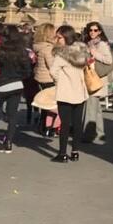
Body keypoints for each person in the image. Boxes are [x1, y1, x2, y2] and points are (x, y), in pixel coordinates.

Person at [49, 25, 90, 163]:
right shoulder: (82, 50)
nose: (57, 39)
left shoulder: (62, 54)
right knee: (77, 123)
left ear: (65, 37)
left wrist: (60, 82)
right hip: (80, 91)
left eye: (59, 37)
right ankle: (75, 151)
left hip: (66, 92)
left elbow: (53, 71)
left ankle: (62, 153)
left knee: (65, 124)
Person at [83, 22, 112, 144]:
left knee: (90, 108)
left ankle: (88, 135)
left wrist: (94, 53)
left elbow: (109, 60)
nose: (92, 32)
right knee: (97, 109)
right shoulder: (90, 44)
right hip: (93, 78)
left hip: (96, 80)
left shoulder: (101, 44)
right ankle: (100, 133)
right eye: (90, 30)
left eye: (95, 30)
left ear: (100, 31)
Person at [33, 23, 58, 137]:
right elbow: (52, 66)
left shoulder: (38, 46)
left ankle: (43, 126)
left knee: (44, 104)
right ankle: (49, 128)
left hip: (39, 77)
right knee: (52, 105)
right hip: (49, 78)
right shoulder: (48, 49)